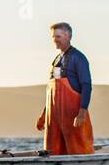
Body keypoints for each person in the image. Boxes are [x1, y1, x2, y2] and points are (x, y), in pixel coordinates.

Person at [36, 22, 94, 155]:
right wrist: (44, 115)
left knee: (78, 148)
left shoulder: (79, 58)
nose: (55, 40)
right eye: (53, 37)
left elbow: (86, 85)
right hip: (54, 117)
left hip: (73, 115)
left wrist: (82, 111)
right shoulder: (57, 61)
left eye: (58, 36)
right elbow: (53, 90)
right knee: (52, 151)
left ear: (68, 36)